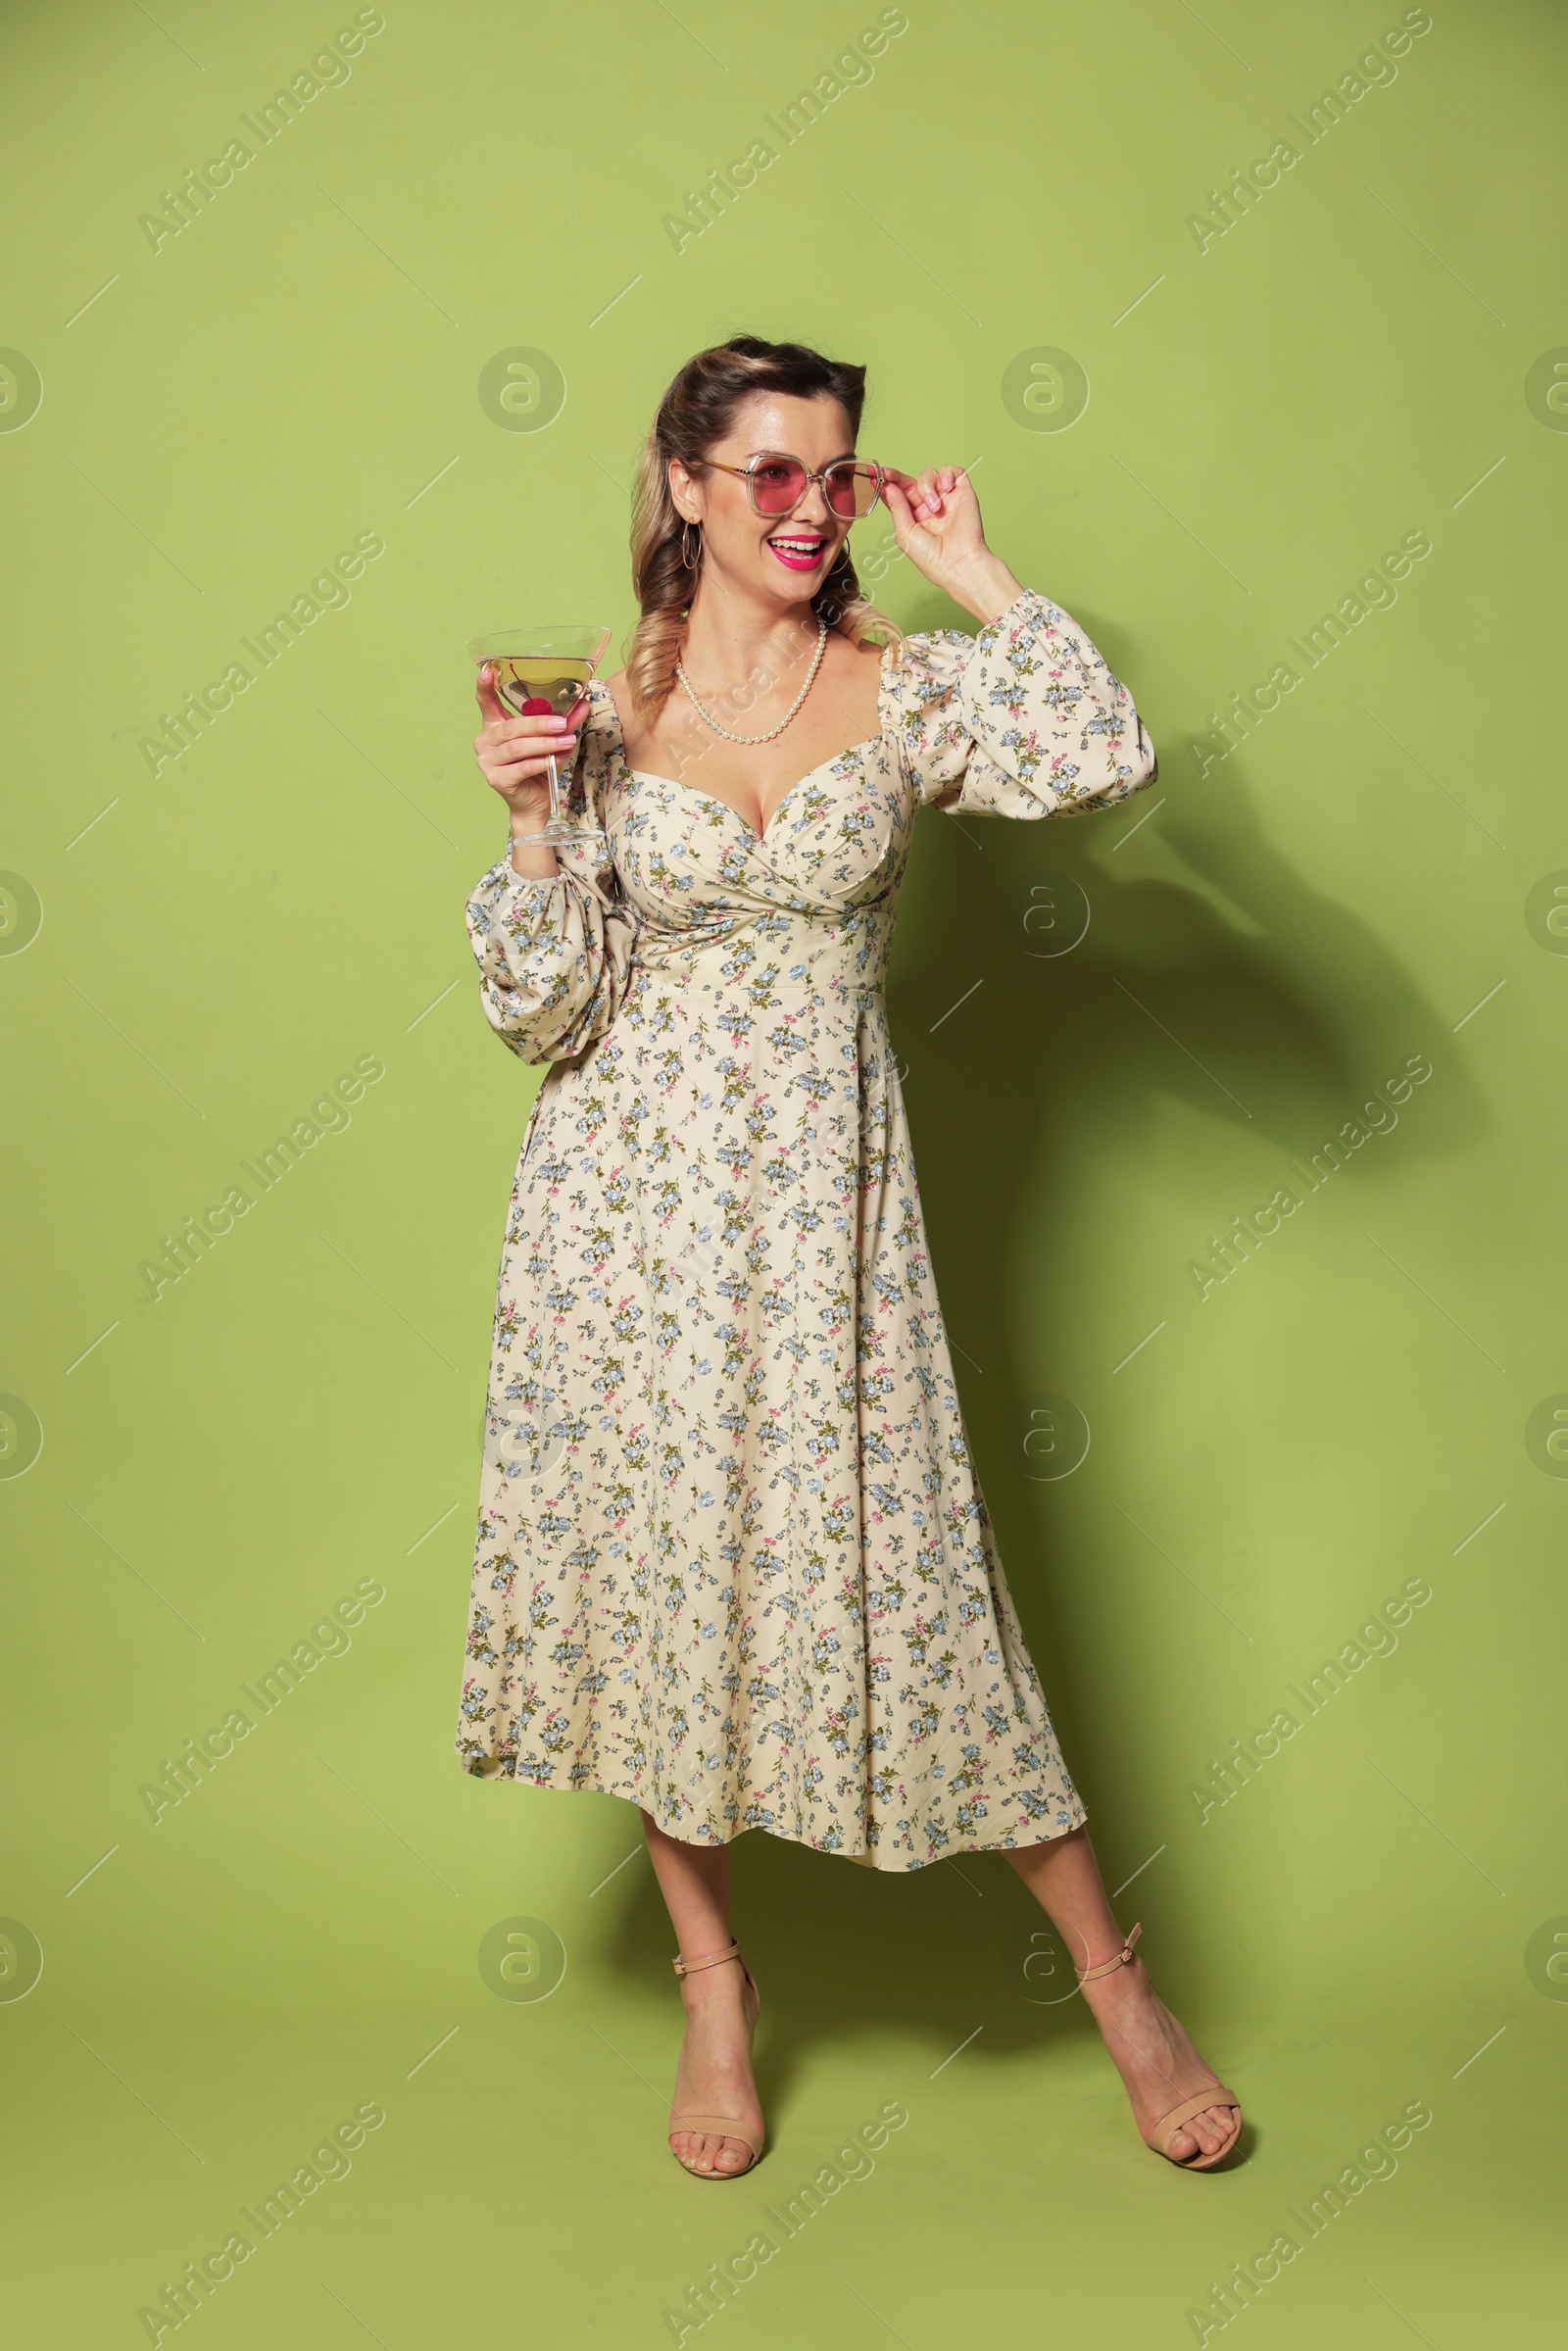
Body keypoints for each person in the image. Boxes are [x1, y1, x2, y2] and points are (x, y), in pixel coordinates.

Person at [458, 335, 1241, 2180]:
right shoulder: (595, 717)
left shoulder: (903, 689)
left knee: (916, 1585)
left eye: (836, 473)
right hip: (621, 1224)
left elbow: (1099, 752)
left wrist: (979, 573)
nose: (810, 508)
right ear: (684, 488)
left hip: (827, 1218)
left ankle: (1122, 1989)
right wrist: (523, 822)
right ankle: (717, 1990)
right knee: (660, 1594)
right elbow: (542, 1010)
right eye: (770, 474)